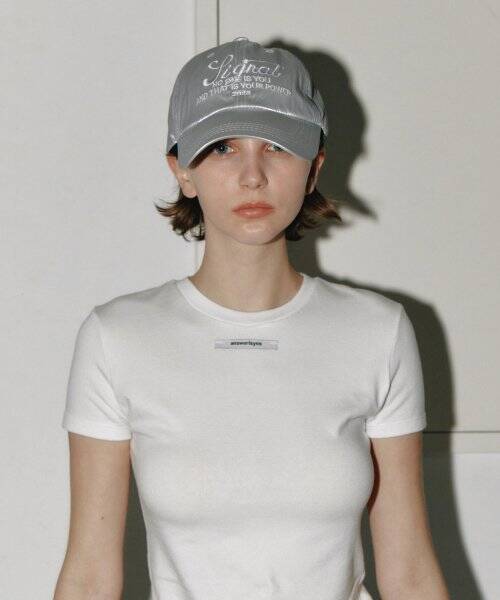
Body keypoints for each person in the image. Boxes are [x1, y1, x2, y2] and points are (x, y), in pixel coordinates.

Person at [54, 37, 450, 600]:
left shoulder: (378, 332)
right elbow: (89, 576)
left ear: (313, 168)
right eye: (221, 148)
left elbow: (409, 570)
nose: (252, 175)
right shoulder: (117, 338)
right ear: (182, 170)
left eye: (276, 146)